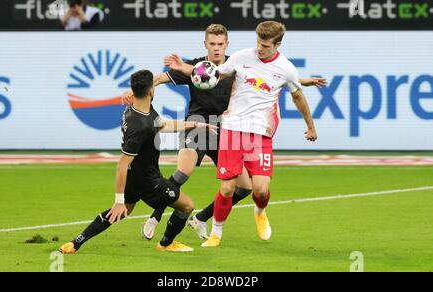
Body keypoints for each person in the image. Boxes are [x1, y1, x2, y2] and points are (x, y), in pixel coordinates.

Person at [122, 24, 326, 241]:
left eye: (220, 44)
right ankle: (157, 215)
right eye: (212, 44)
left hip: (226, 130)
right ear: (205, 45)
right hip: (198, 124)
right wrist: (137, 93)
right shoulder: (197, 67)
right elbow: (160, 78)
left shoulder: (237, 64)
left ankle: (201, 218)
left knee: (245, 187)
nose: (217, 48)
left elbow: (270, 78)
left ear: (227, 45)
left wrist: (303, 81)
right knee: (183, 172)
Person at [59, 70, 216, 253]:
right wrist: (118, 199)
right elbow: (122, 164)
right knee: (187, 205)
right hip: (150, 182)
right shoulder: (141, 125)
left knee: (121, 211)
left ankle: (75, 243)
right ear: (151, 90)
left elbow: (162, 125)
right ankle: (166, 244)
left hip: (134, 178)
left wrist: (196, 124)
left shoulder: (136, 108)